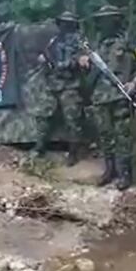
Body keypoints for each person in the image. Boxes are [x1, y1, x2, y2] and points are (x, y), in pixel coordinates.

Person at [86, 5, 136, 189]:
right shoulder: (95, 44)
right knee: (104, 135)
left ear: (116, 20)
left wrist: (134, 82)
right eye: (102, 19)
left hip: (121, 95)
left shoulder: (129, 41)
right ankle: (109, 170)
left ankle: (125, 174)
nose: (106, 22)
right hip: (100, 96)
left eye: (109, 18)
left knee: (123, 136)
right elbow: (85, 63)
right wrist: (83, 60)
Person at [33, 11, 88, 166]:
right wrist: (44, 60)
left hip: (71, 85)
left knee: (73, 119)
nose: (65, 25)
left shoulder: (80, 41)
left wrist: (77, 61)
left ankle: (73, 152)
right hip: (53, 84)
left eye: (68, 23)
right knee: (43, 115)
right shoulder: (54, 40)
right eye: (63, 22)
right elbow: (45, 55)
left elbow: (85, 58)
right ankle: (39, 147)